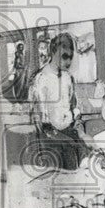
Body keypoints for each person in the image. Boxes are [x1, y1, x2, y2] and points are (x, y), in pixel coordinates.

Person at [28, 31, 88, 170]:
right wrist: (67, 140)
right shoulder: (41, 79)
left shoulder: (68, 78)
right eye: (64, 56)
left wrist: (78, 122)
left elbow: (74, 105)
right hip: (50, 137)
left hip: (69, 131)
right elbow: (41, 120)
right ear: (53, 52)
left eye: (70, 57)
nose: (68, 62)